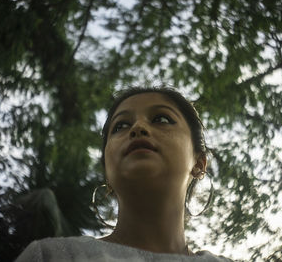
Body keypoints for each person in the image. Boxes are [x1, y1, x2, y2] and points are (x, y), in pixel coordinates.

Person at [15, 87, 233, 261]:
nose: (138, 127)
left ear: (199, 163)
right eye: (121, 125)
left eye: (161, 119)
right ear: (107, 171)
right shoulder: (51, 257)